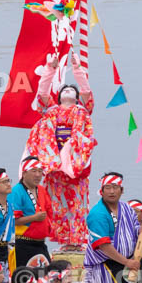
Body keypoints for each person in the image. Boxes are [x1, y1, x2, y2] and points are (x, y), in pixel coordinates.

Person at [26, 76, 96, 251]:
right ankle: (64, 241)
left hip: (74, 162)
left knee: (78, 203)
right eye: (64, 89)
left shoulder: (82, 111)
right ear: (58, 97)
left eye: (72, 90)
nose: (68, 90)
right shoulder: (51, 111)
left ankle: (77, 240)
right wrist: (50, 69)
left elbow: (87, 91)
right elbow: (42, 93)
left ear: (77, 97)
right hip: (55, 162)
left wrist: (78, 68)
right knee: (57, 204)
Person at [10, 156, 53, 265]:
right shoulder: (16, 191)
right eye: (33, 171)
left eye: (40, 171)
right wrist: (34, 218)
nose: (38, 175)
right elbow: (12, 220)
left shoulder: (42, 190)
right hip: (23, 244)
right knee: (25, 275)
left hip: (41, 244)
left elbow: (49, 212)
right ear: (24, 173)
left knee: (46, 274)